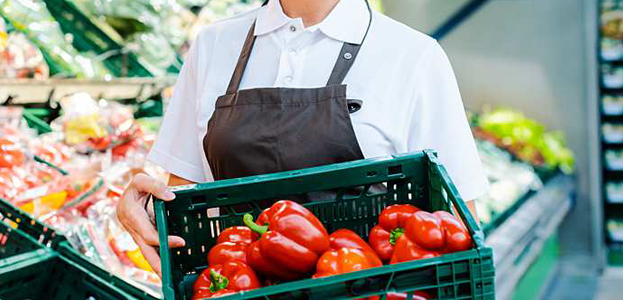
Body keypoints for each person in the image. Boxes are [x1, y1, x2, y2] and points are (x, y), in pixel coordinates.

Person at [117, 0, 488, 275]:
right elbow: (185, 204)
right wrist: (147, 213)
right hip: (238, 285)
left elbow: (456, 229)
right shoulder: (214, 45)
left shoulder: (414, 57)